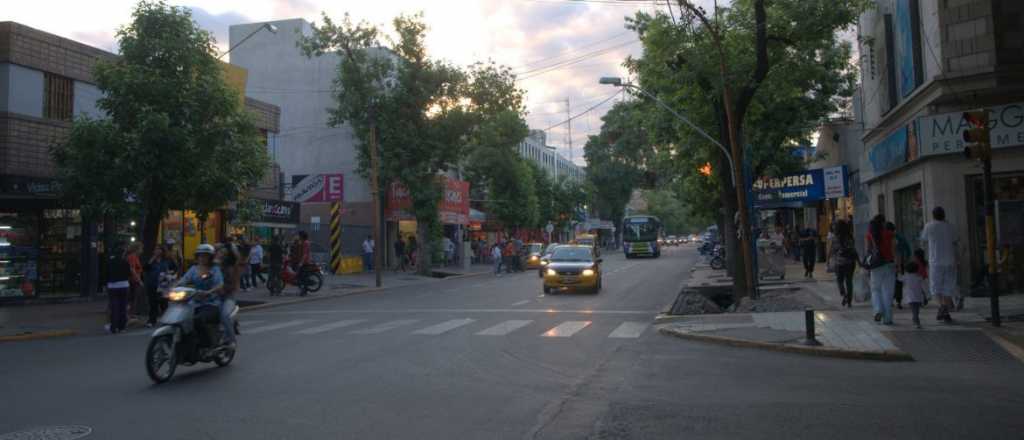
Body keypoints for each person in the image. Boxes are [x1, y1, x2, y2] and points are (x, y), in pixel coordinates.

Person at [174, 244, 230, 348]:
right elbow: (183, 280)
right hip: (193, 303)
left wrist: (209, 292)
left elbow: (220, 284)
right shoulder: (193, 269)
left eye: (205, 256)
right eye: (200, 255)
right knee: (181, 319)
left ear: (210, 257)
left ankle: (207, 345)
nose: (202, 258)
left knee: (197, 320)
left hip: (211, 304)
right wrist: (173, 287)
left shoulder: (215, 269)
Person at [920, 206, 958, 323]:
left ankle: (942, 307)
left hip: (935, 262)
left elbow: (923, 239)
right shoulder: (950, 226)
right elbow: (955, 241)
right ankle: (945, 311)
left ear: (933, 215)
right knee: (948, 288)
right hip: (950, 261)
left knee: (935, 288)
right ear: (944, 215)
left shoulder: (929, 226)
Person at [866, 214, 897, 325]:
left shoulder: (870, 235)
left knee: (875, 290)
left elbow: (869, 251)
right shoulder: (889, 234)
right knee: (888, 292)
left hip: (876, 265)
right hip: (889, 264)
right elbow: (893, 250)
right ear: (883, 223)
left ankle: (878, 310)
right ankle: (888, 318)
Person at [143, 245, 176, 327]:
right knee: (152, 303)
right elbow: (145, 268)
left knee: (164, 303)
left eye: (158, 249)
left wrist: (170, 275)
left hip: (163, 285)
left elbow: (174, 269)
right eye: (155, 249)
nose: (156, 251)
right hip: (152, 284)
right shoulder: (151, 260)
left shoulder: (167, 260)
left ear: (162, 251)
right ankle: (151, 320)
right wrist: (152, 259)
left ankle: (166, 320)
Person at [828, 220, 858, 308]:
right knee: (849, 281)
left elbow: (832, 250)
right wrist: (858, 260)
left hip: (839, 263)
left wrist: (828, 260)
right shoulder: (850, 237)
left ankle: (843, 294)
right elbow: (853, 249)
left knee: (839, 280)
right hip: (850, 262)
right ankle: (849, 301)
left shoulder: (835, 238)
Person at [105, 242, 132, 334]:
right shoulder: (125, 262)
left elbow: (106, 274)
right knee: (122, 307)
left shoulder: (110, 262)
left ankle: (114, 327)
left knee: (114, 307)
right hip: (124, 285)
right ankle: (122, 327)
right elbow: (129, 274)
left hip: (112, 286)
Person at [888, 222, 911, 309]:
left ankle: (891, 300)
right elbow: (908, 249)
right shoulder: (900, 237)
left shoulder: (886, 238)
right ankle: (898, 301)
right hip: (899, 263)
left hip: (889, 263)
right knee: (899, 282)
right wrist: (906, 259)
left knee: (890, 282)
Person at [900, 261, 928, 329]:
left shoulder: (906, 277)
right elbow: (924, 287)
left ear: (906, 269)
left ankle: (916, 319)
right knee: (917, 309)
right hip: (918, 296)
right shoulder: (919, 277)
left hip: (910, 297)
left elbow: (899, 278)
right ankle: (916, 319)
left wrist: (898, 271)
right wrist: (927, 295)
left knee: (914, 309)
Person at [126, 242, 143, 317]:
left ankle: (131, 315)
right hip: (132, 281)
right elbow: (132, 269)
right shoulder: (132, 257)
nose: (142, 250)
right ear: (137, 249)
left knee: (133, 298)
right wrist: (139, 280)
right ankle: (129, 315)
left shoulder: (135, 257)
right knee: (132, 299)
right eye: (141, 249)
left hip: (134, 280)